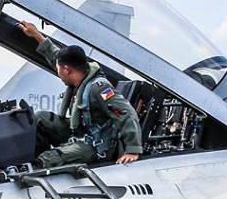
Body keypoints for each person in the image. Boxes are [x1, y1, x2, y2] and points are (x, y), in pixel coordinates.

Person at [16, 20, 143, 169]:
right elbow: (55, 55)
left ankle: (37, 167)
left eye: (59, 69)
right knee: (39, 119)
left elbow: (126, 113)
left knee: (50, 158)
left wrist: (133, 150)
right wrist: (36, 35)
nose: (57, 70)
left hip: (95, 145)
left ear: (67, 70)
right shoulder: (79, 73)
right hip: (78, 131)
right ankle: (31, 159)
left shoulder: (99, 88)